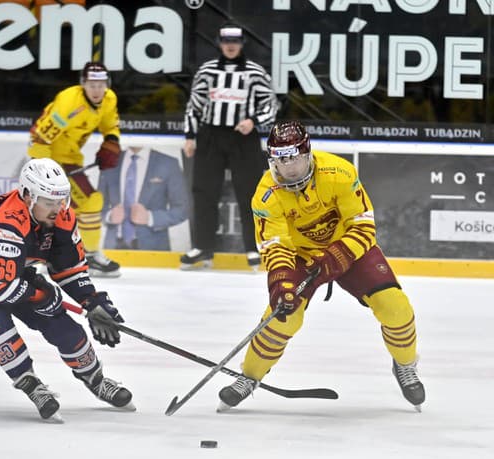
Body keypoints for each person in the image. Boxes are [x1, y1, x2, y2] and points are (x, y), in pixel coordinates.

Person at [217, 121, 426, 412]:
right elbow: (275, 246)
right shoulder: (265, 194)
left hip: (349, 248)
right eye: (279, 159)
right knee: (282, 317)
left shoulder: (339, 172)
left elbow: (363, 226)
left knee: (395, 306)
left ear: (307, 154)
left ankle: (405, 365)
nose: (287, 167)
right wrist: (282, 283)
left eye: (293, 158)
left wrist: (336, 256)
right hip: (301, 256)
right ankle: (249, 376)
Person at [0, 158, 134, 421]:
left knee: (56, 318)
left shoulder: (61, 215)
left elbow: (68, 269)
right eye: (49, 202)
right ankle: (30, 383)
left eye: (61, 200)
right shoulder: (7, 222)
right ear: (27, 196)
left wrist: (91, 300)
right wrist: (40, 294)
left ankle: (96, 379)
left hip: (4, 269)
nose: (58, 209)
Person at [180, 21, 278, 270]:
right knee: (204, 192)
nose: (231, 46)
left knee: (250, 193)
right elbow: (195, 105)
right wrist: (190, 136)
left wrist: (253, 121)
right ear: (220, 44)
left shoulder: (255, 72)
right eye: (226, 42)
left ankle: (254, 248)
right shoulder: (208, 70)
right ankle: (203, 247)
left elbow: (271, 105)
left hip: (243, 138)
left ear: (241, 44)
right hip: (211, 136)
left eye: (235, 42)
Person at [27, 61, 121, 277]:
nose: (97, 90)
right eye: (92, 84)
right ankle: (86, 255)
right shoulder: (69, 103)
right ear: (83, 84)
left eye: (101, 84)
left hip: (70, 158)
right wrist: (45, 173)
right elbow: (40, 139)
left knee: (69, 207)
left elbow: (110, 125)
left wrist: (112, 141)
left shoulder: (109, 99)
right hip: (48, 157)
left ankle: (50, 256)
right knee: (87, 202)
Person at [98, 146, 189, 251]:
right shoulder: (109, 162)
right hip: (112, 248)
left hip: (154, 249)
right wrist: (109, 216)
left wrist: (150, 218)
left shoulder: (168, 163)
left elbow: (183, 209)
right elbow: (96, 207)